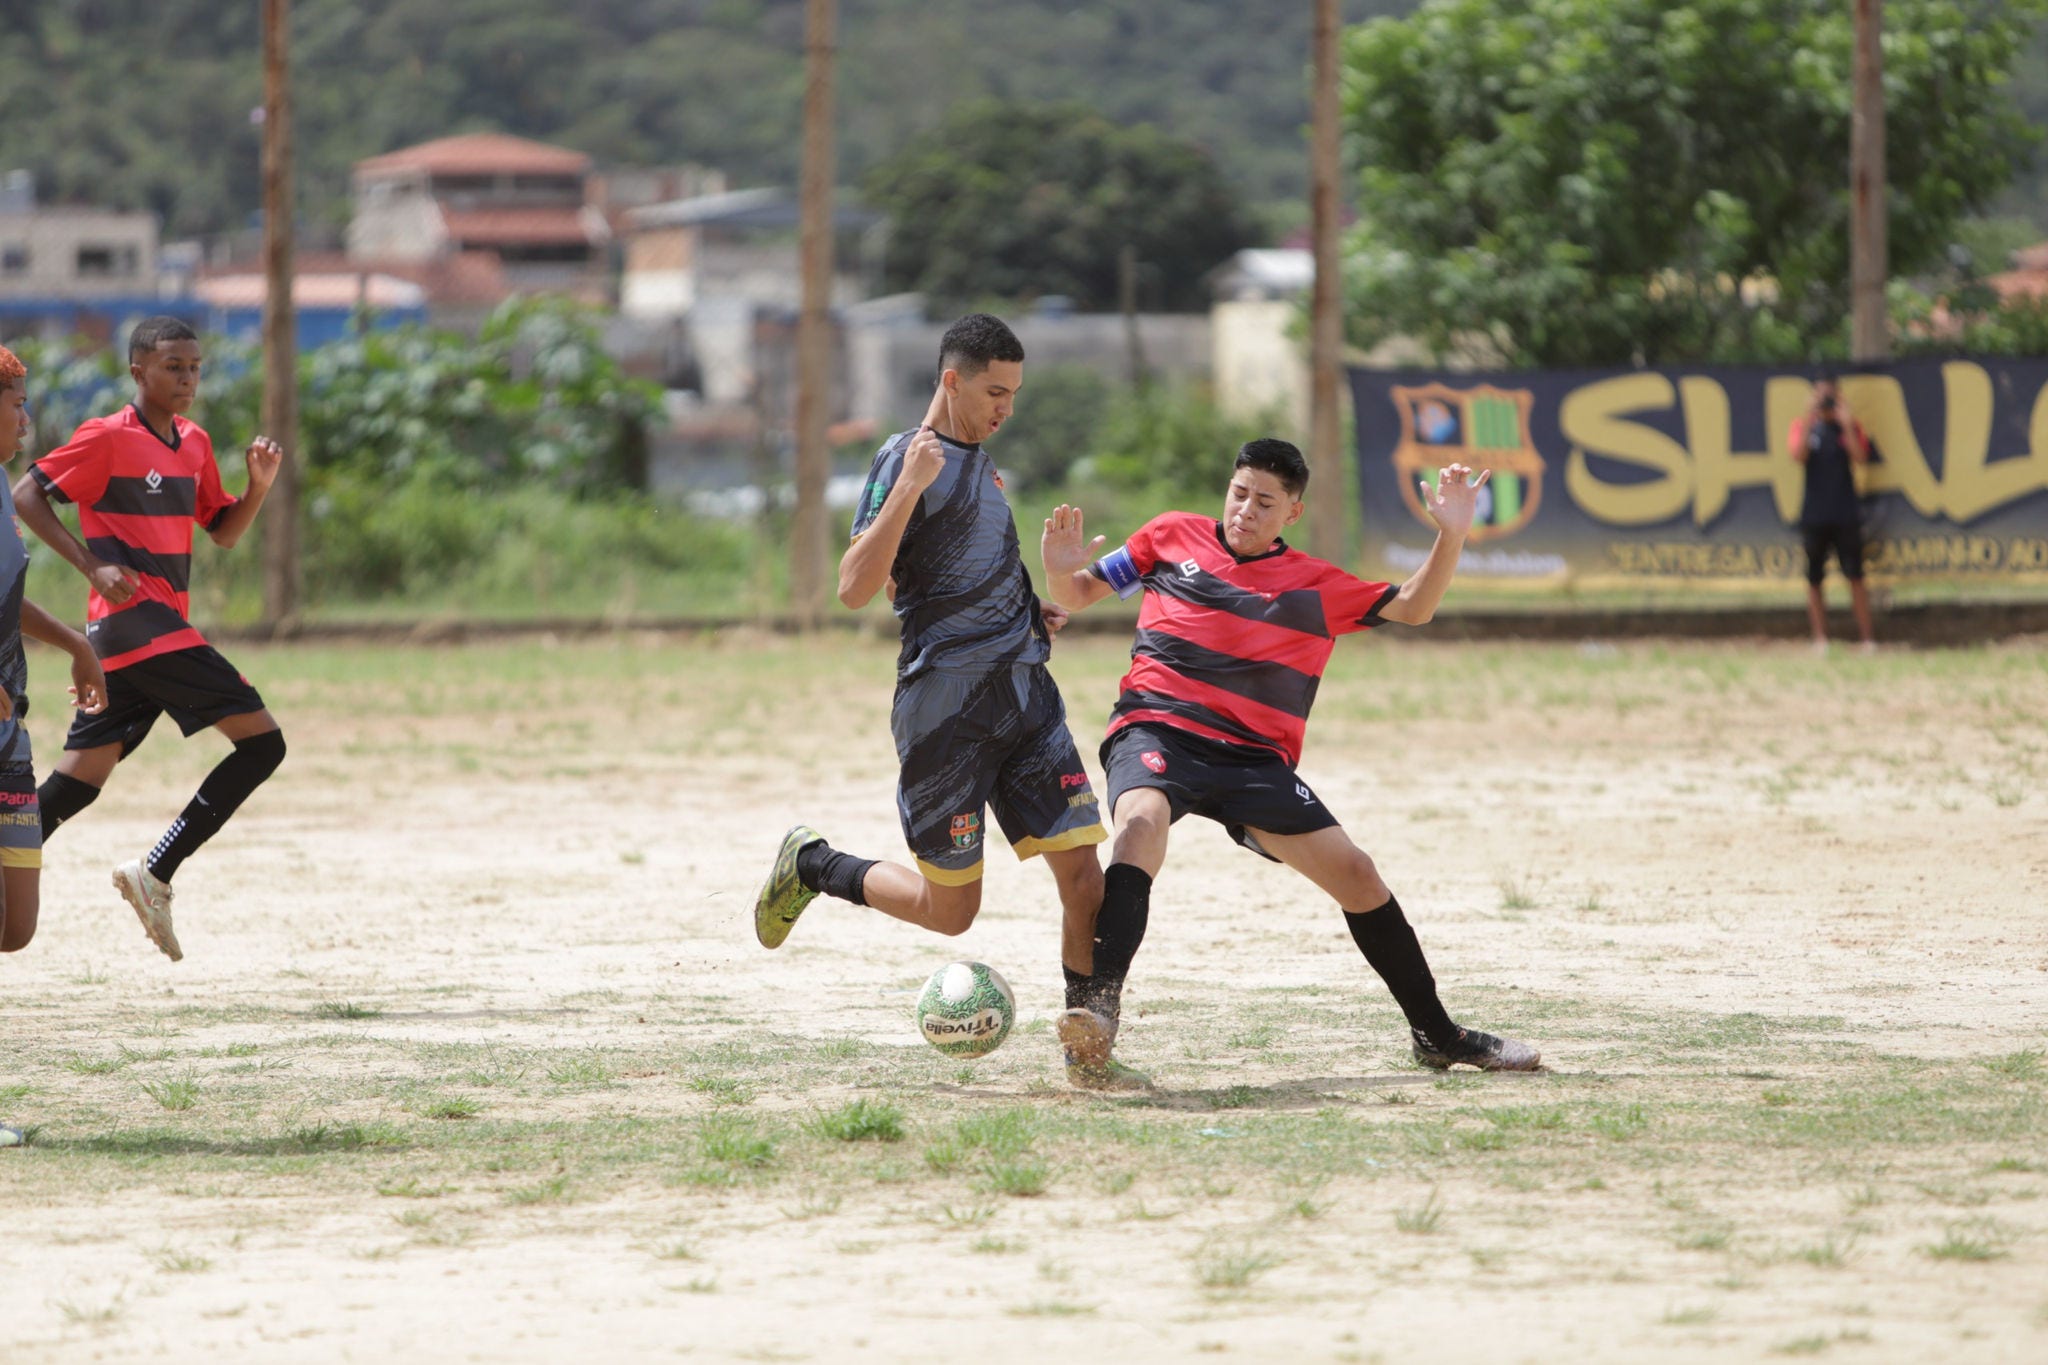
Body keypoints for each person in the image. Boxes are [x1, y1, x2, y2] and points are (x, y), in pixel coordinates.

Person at [1039, 437, 1541, 1075]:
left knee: (1357, 874)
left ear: (1292, 513)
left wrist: (1452, 534)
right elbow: (1078, 593)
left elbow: (1415, 608)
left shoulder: (1314, 584)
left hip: (1253, 761)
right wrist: (1058, 569)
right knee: (1140, 826)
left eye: (1265, 502)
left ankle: (1436, 1034)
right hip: (1157, 730)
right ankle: (1099, 1010)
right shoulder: (1168, 535)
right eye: (1239, 492)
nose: (1246, 509)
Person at [751, 313, 1138, 1090]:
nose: (1007, 407)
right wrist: (909, 488)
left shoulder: (988, 468)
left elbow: (969, 568)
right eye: (995, 390)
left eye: (1016, 393)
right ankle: (816, 863)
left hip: (1027, 699)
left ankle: (1086, 1044)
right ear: (952, 380)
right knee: (951, 911)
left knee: (1084, 880)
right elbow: (855, 585)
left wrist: (1036, 611)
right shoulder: (907, 456)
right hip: (946, 713)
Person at [11, 317, 286, 963]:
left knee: (77, 781)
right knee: (264, 743)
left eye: (194, 366)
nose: (187, 378)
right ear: (138, 371)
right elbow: (28, 494)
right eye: (172, 367)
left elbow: (222, 529)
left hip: (138, 640)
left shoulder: (194, 442)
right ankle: (156, 871)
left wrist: (259, 489)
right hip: (140, 625)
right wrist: (91, 564)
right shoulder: (107, 436)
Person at [0, 343, 110, 955]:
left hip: (9, 722)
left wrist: (75, 644)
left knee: (16, 928)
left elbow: (6, 599)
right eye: (17, 404)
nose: (26, 418)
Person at [1787, 374, 1874, 653]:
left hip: (1845, 512)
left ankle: (1866, 639)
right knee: (1814, 578)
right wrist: (1809, 415)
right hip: (1814, 514)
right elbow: (1798, 456)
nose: (1825, 402)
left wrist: (1846, 423)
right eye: (1821, 396)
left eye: (1830, 396)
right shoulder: (1803, 426)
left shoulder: (1847, 427)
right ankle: (1820, 639)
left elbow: (1860, 457)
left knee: (1856, 576)